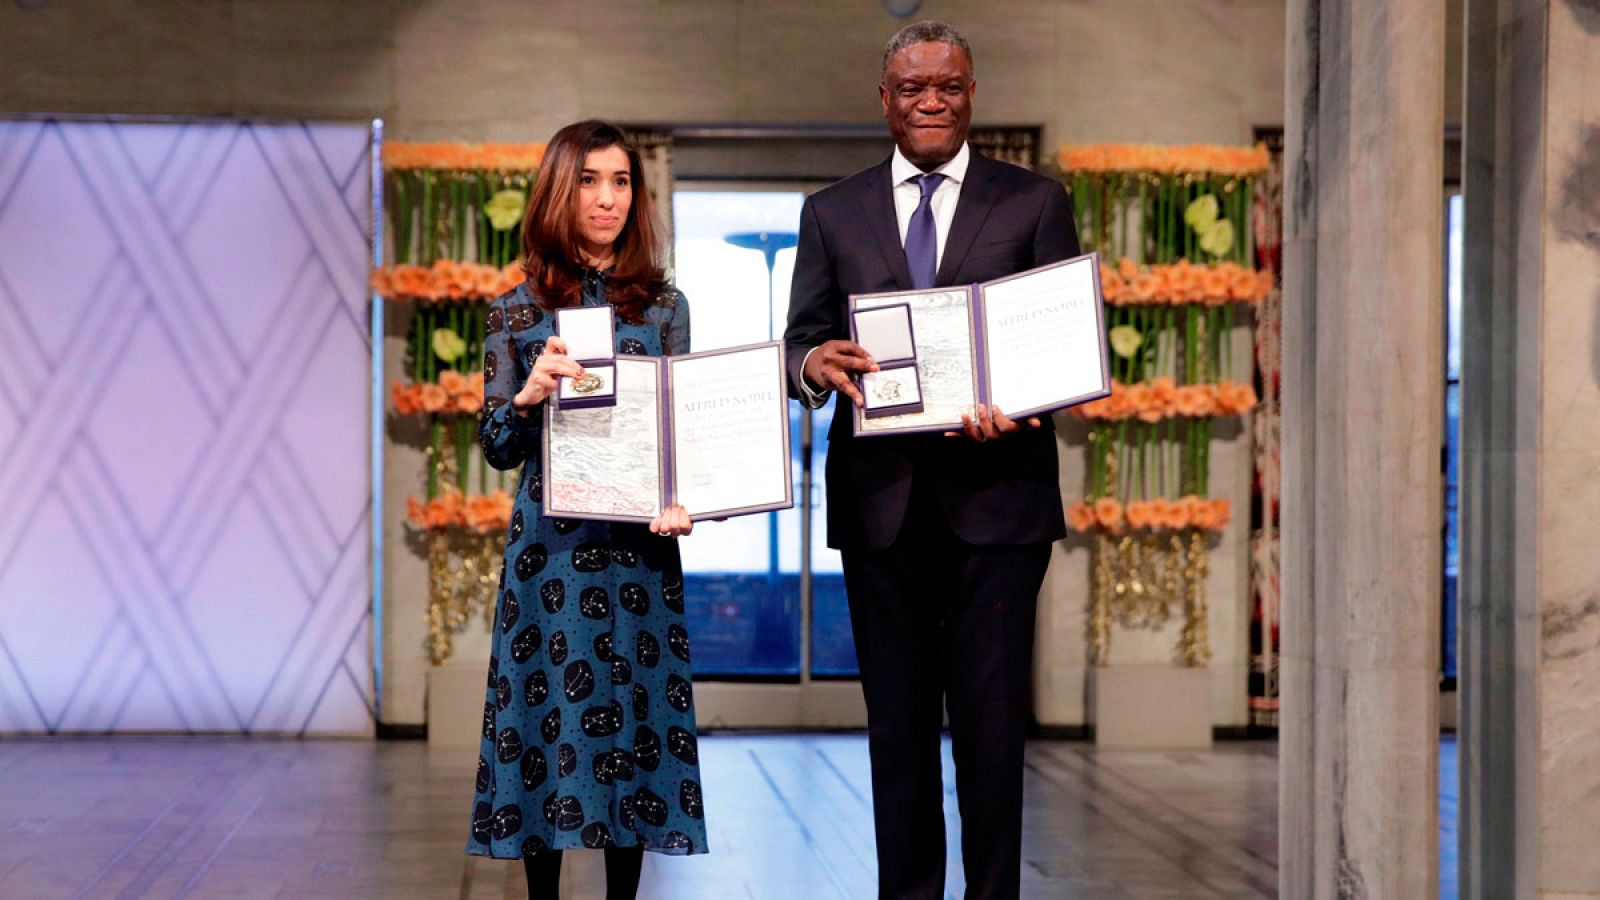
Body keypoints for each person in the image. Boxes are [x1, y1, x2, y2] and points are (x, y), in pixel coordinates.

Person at [782, 21, 1080, 900]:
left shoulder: (1032, 201)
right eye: (913, 88)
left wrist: (1020, 404)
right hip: (883, 509)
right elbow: (804, 339)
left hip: (1000, 504)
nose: (932, 101)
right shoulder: (832, 211)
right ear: (885, 101)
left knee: (992, 734)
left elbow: (1061, 344)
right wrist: (813, 367)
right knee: (897, 733)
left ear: (972, 91)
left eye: (948, 85)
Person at [469, 119, 706, 900]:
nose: (607, 198)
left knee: (632, 738)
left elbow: (680, 437)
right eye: (591, 181)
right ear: (558, 192)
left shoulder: (663, 307)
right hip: (552, 557)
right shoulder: (514, 310)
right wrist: (532, 395)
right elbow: (498, 444)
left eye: (622, 181)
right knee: (550, 732)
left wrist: (683, 498)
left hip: (640, 550)